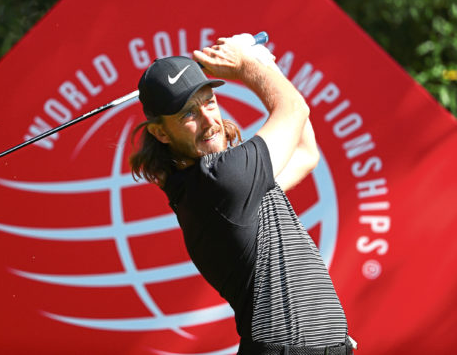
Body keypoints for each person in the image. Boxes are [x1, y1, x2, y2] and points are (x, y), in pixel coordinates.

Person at [129, 34, 353, 355]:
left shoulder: (212, 181)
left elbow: (305, 152)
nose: (209, 120)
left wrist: (265, 63)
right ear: (161, 132)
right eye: (188, 114)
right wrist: (249, 63)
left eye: (209, 101)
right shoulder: (221, 179)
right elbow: (293, 108)